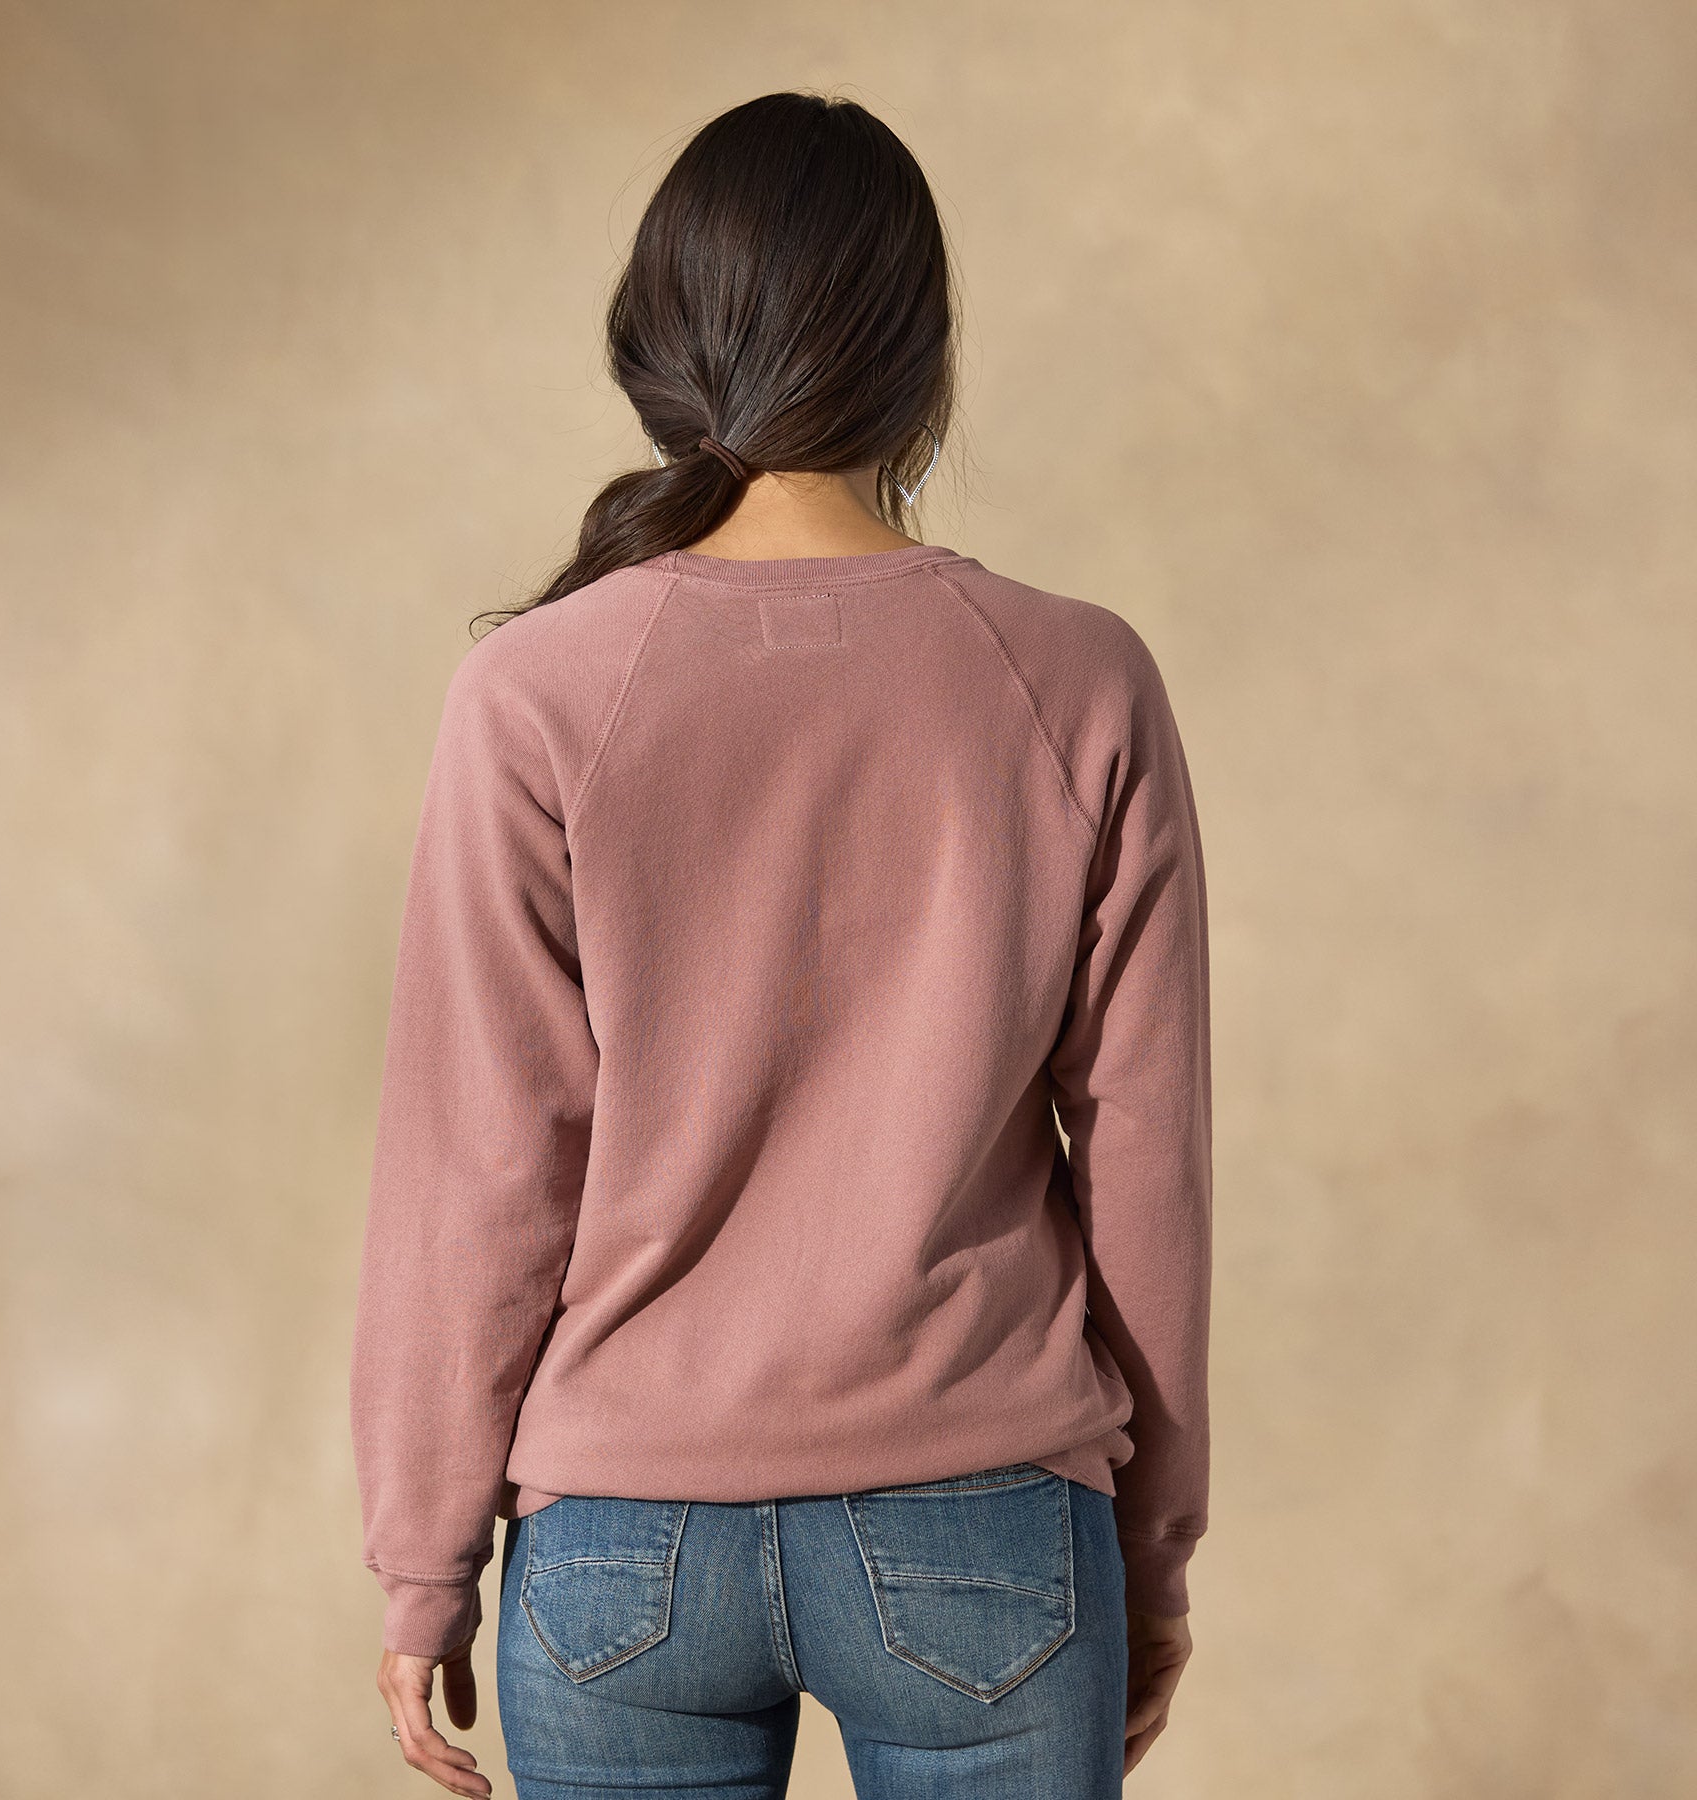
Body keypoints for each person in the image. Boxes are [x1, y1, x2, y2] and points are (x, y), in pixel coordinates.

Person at [350, 89, 1212, 1799]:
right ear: (922, 358)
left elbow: (482, 1162)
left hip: (622, 1541)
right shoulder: (1080, 682)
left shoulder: (532, 694)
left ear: (658, 344)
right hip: (990, 1524)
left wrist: (424, 1557)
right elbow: (1145, 1158)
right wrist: (1152, 1550)